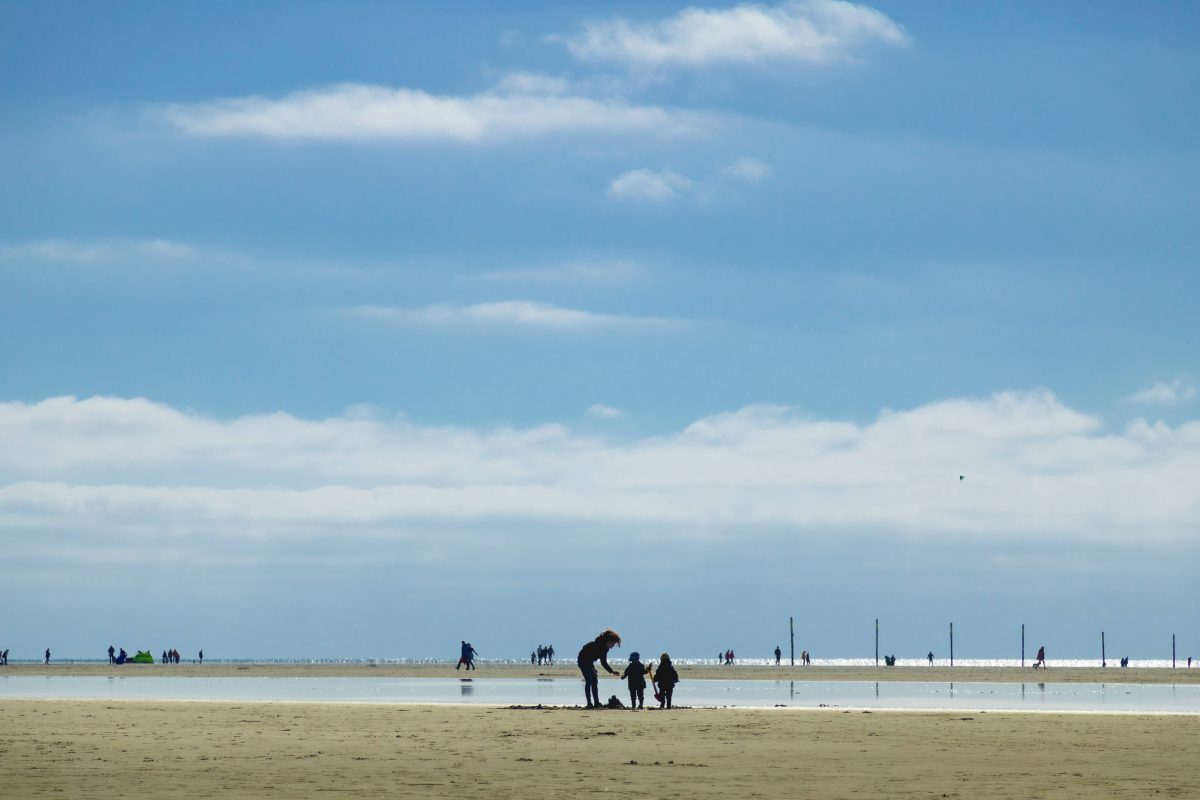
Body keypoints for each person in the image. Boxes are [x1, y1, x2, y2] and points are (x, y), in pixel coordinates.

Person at [577, 628, 621, 709]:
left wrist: (612, 671)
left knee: (595, 681)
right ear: (608, 641)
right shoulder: (596, 645)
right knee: (589, 680)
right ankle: (589, 703)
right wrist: (592, 668)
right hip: (582, 660)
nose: (613, 646)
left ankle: (596, 702)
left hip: (589, 662)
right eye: (613, 644)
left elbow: (603, 662)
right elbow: (587, 657)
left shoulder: (605, 649)